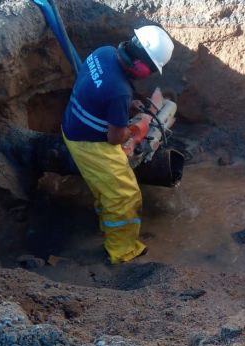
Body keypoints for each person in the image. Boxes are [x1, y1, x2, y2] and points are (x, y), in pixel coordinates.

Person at [61, 24, 174, 263]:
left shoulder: (104, 53)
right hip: (87, 143)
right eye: (152, 69)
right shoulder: (119, 91)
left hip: (72, 120)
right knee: (126, 195)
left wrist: (124, 108)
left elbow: (100, 88)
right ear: (143, 67)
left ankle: (106, 220)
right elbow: (115, 137)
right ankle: (122, 251)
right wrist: (136, 129)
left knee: (108, 189)